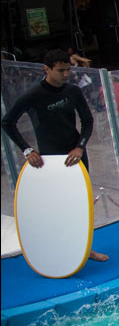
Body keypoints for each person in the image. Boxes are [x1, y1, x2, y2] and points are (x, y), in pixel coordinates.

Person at [1, 49, 108, 262]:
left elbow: (87, 121)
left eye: (68, 70)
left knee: (80, 206)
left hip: (76, 157)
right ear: (47, 69)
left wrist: (80, 147)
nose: (66, 74)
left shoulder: (73, 91)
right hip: (50, 162)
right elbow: (7, 122)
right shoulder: (34, 95)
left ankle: (85, 250)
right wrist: (27, 149)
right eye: (60, 71)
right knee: (58, 208)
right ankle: (62, 250)